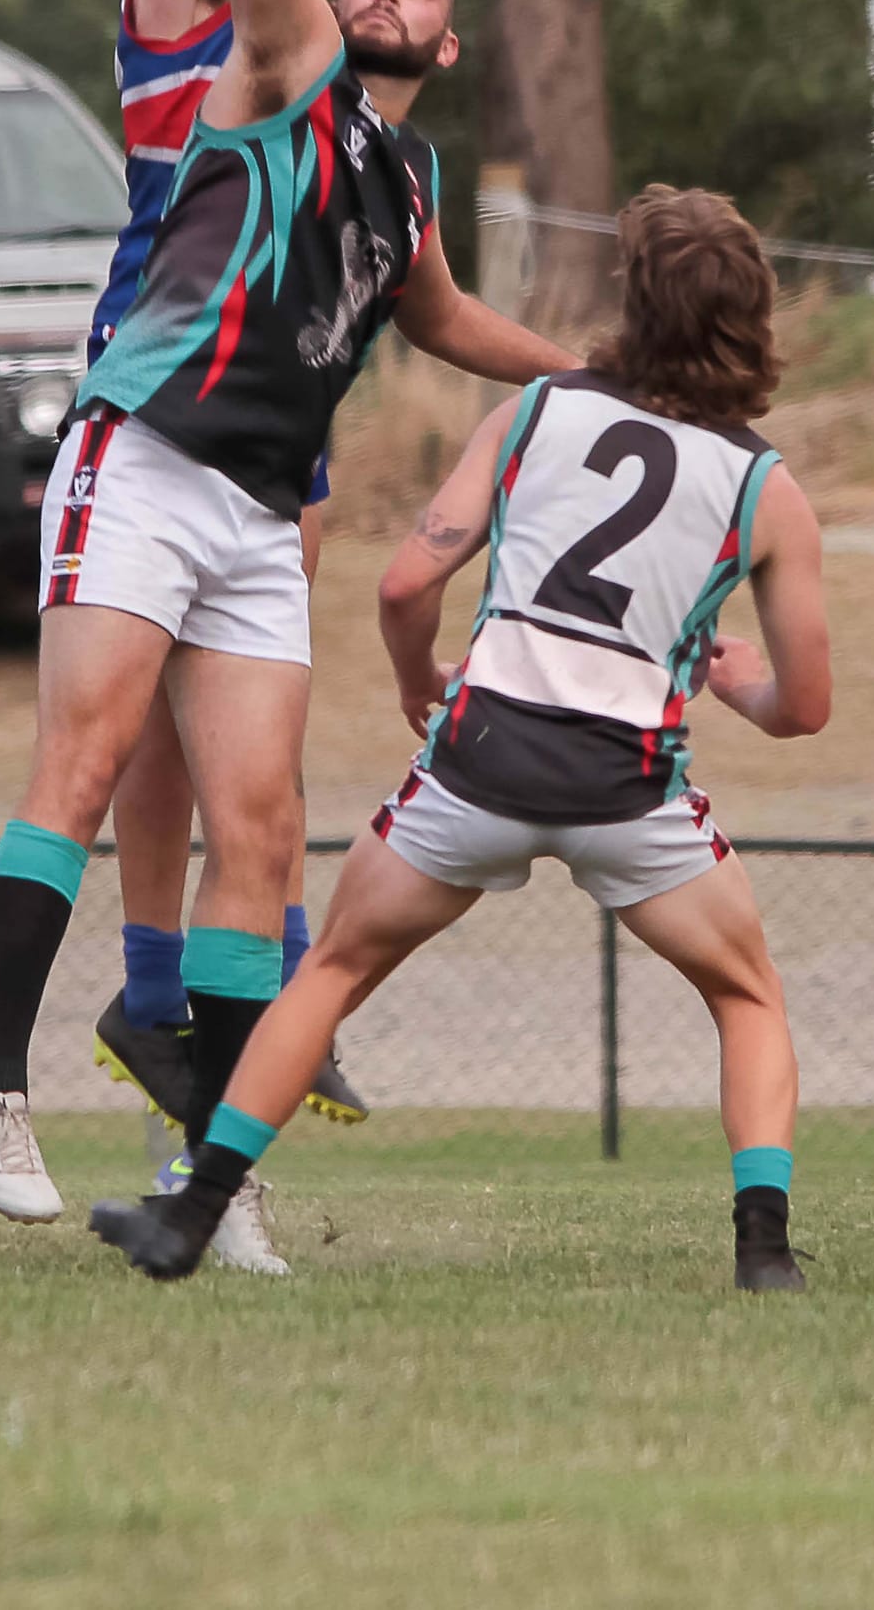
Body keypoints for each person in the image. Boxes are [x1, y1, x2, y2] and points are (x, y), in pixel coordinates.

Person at [0, 0, 575, 1270]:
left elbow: (439, 321)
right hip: (143, 445)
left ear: (447, 47)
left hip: (259, 497)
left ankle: (207, 1177)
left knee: (265, 825)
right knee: (83, 769)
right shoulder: (280, 58)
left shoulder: (410, 180)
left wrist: (592, 364)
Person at [89, 184, 832, 1294]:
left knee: (330, 972)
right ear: (753, 319)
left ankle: (192, 1213)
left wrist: (418, 683)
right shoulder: (767, 490)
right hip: (627, 788)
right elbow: (805, 707)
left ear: (634, 303)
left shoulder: (535, 412)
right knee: (747, 994)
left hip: (475, 760)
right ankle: (762, 1250)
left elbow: (404, 583)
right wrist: (736, 686)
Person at [89, 0, 417, 1135]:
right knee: (162, 716)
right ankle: (158, 983)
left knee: (253, 723)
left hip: (277, 408)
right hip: (168, 383)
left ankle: (252, 988)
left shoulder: (305, 57)